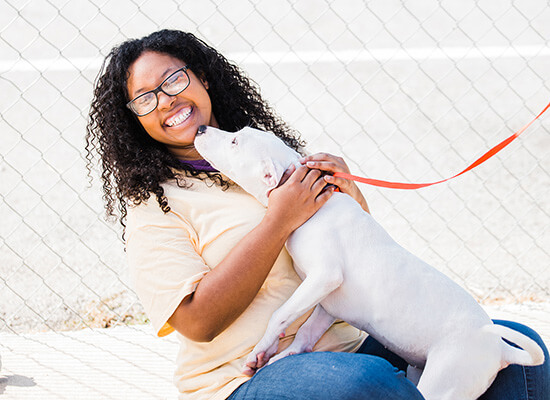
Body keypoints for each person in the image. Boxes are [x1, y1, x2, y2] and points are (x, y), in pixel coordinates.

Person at [86, 29, 549, 400]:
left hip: (349, 342)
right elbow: (197, 322)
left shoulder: (259, 154)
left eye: (174, 80)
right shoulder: (156, 204)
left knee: (507, 348)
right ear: (135, 119)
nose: (165, 100)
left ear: (202, 78)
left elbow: (359, 256)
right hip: (247, 377)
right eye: (145, 98)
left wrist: (346, 194)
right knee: (364, 382)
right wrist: (278, 220)